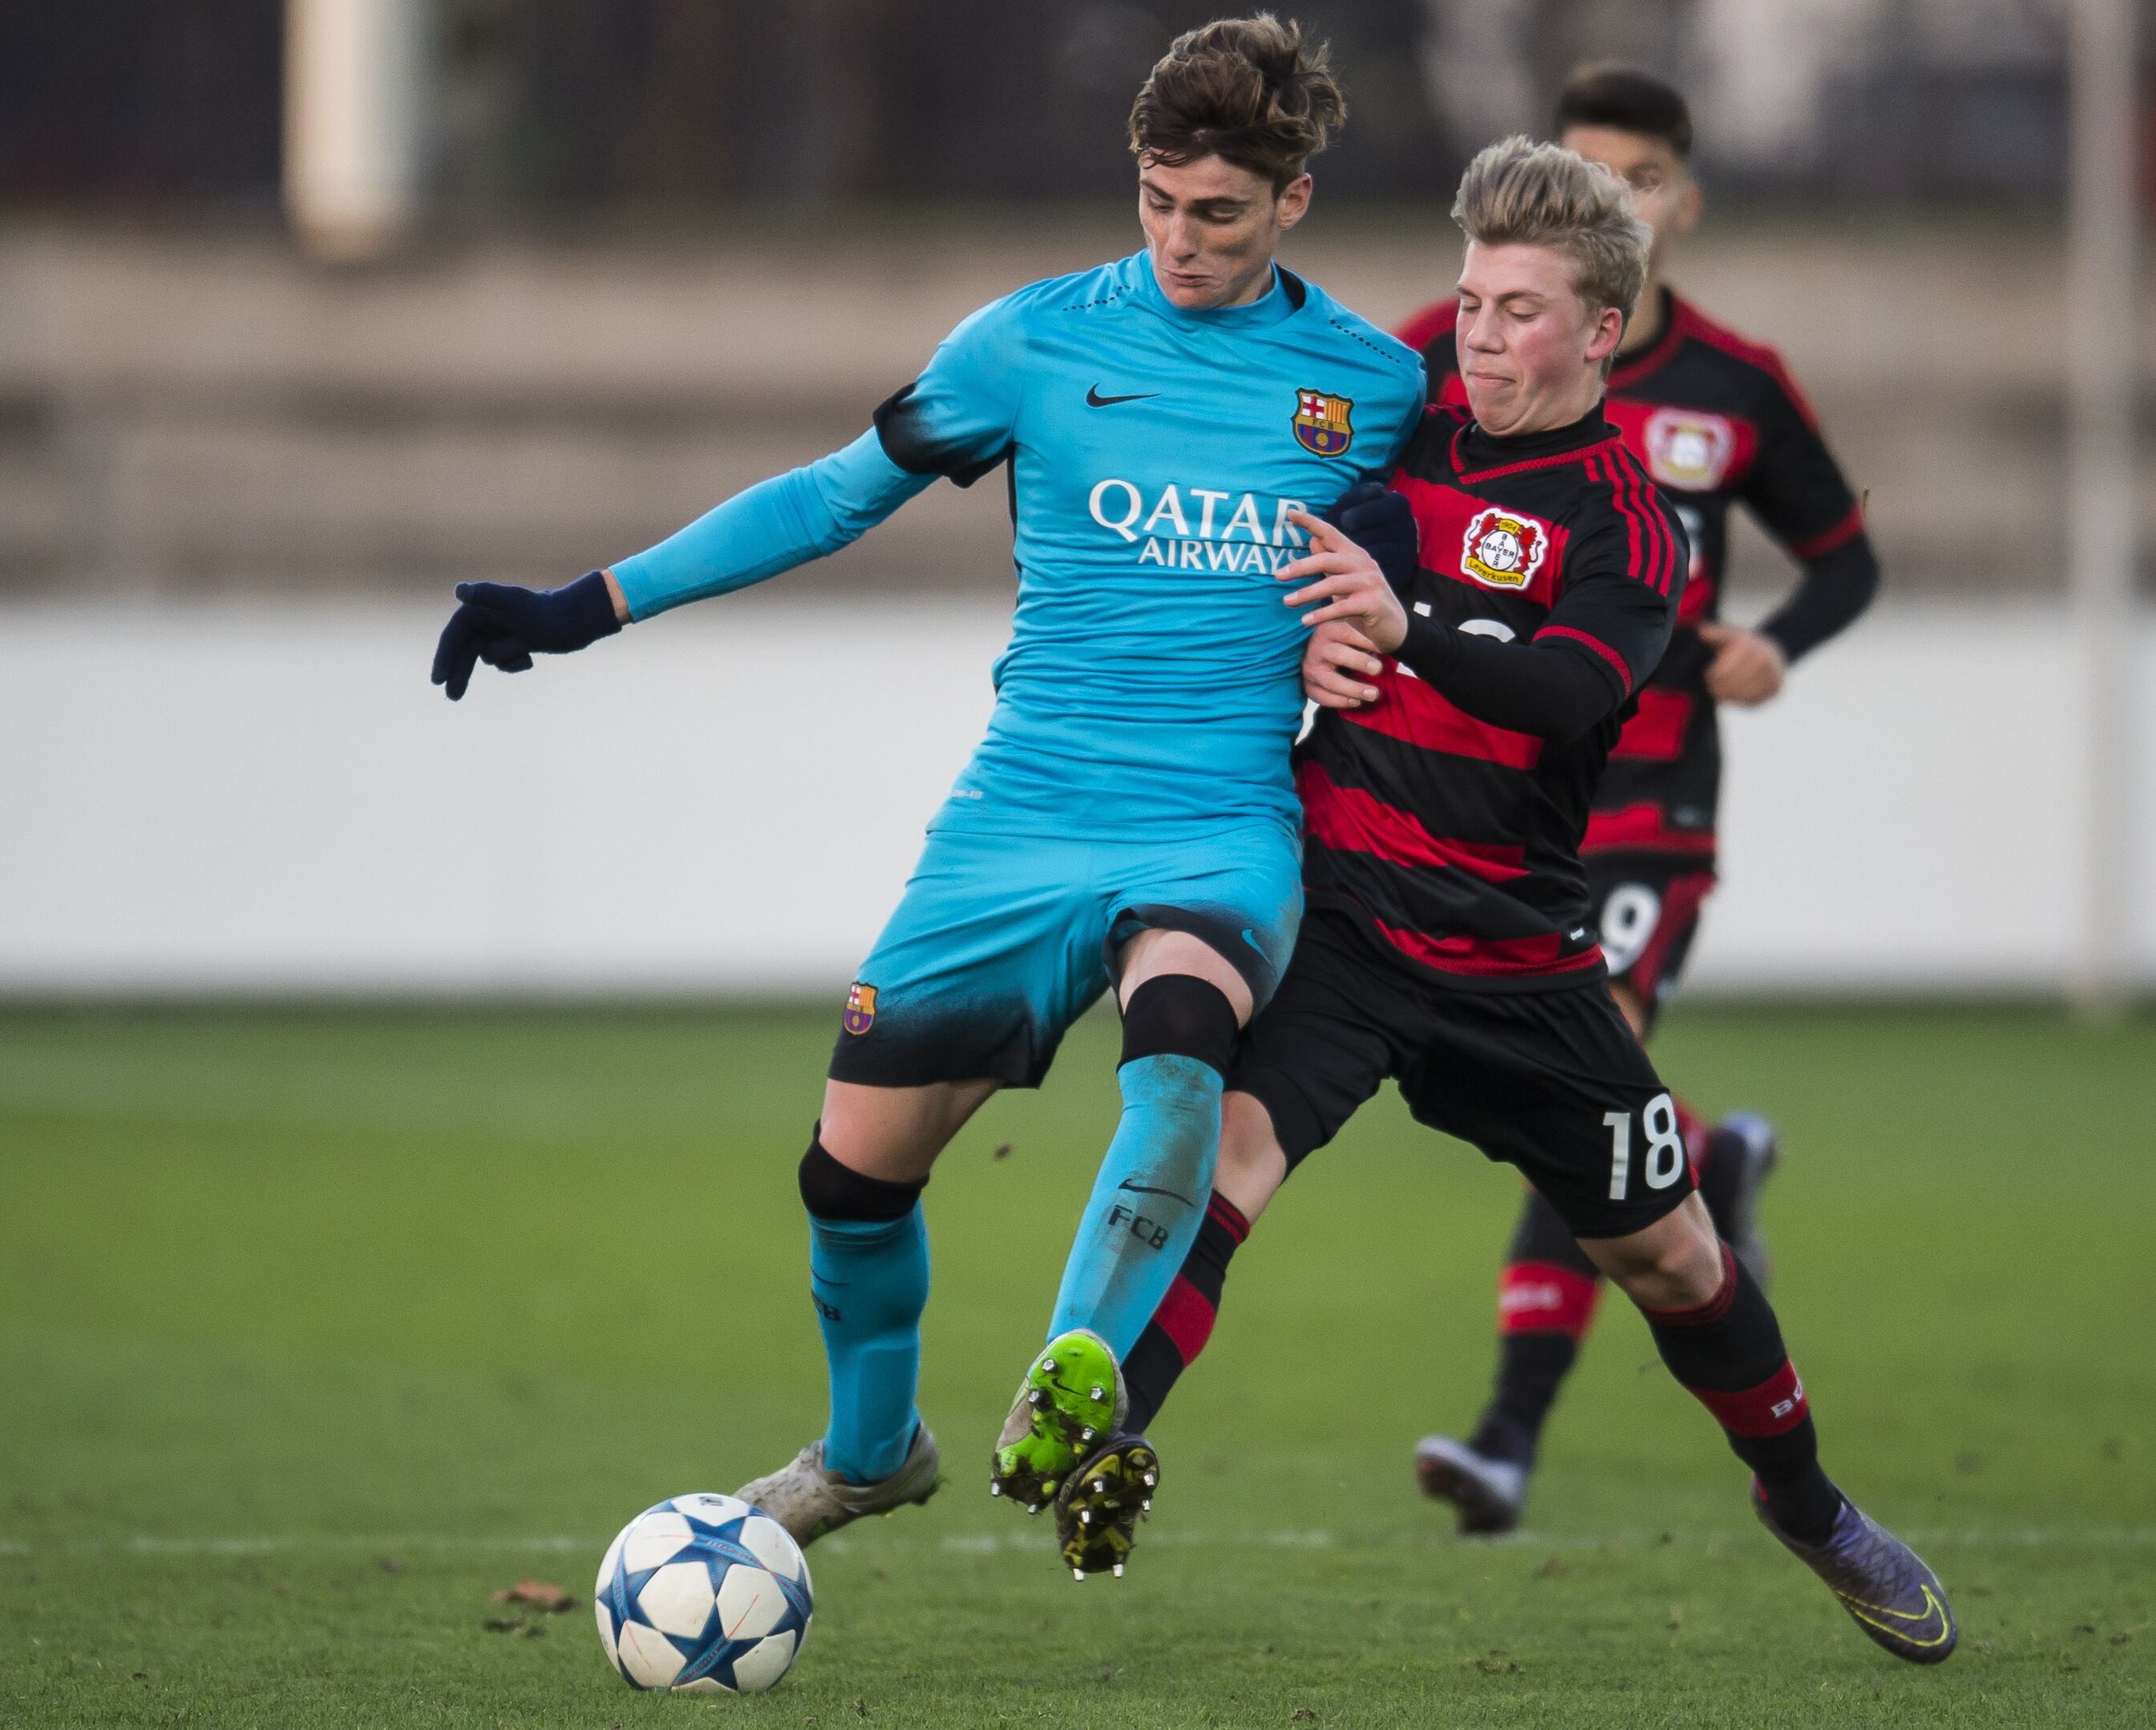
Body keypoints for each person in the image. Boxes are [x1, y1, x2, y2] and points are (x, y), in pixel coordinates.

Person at [427, 16, 1426, 1549]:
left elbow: (1453, 567)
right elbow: (834, 496)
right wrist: (589, 604)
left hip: (1219, 819)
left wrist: (1392, 623)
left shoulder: (1373, 383)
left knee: (1181, 1046)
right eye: (1157, 200)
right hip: (1021, 814)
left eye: (1219, 212)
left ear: (1293, 199)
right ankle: (869, 1452)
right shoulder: (1030, 344)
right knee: (851, 1179)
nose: (1179, 239)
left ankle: (1077, 1375)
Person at [1008, 136, 1955, 1668]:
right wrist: (1308, 638)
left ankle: (1809, 1504)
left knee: (1675, 1260)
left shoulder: (1628, 520)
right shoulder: (1406, 431)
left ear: (1601, 331)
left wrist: (1404, 628)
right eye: (1469, 302)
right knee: (1224, 1159)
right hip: (1343, 913)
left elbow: (1569, 691)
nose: (1482, 336)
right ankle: (1108, 1438)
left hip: (1517, 956)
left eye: (1521, 311)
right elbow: (1283, 539)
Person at [1390, 66, 1884, 1535]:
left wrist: (1774, 644)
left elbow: (1846, 555)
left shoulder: (1736, 385)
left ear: (1683, 202)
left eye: (1642, 180)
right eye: (1588, 173)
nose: (1617, 201)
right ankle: (1709, 1155)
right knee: (1596, 1101)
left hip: (1649, 794)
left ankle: (1505, 1437)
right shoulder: (1448, 350)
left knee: (1580, 1073)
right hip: (1480, 801)